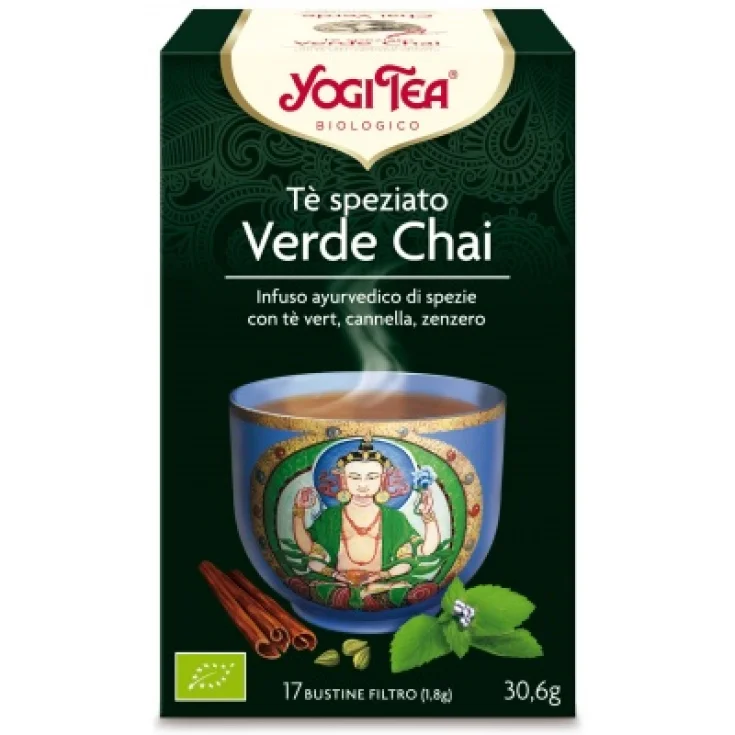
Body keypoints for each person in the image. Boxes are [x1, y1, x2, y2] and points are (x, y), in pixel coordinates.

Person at [292, 436, 440, 594]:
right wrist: (299, 511)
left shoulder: (394, 518)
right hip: (337, 583)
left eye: (372, 477)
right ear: (343, 480)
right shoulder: (331, 516)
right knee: (315, 589)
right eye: (355, 477)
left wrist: (428, 515)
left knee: (406, 592)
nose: (363, 484)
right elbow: (309, 549)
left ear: (382, 480)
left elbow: (426, 550)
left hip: (382, 584)